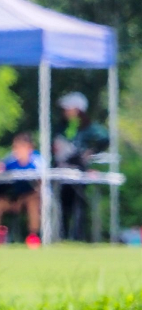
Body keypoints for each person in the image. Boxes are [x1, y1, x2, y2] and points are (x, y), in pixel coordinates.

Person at [53, 92, 108, 240]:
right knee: (64, 202)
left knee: (78, 202)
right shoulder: (62, 127)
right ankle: (62, 235)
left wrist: (90, 151)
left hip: (80, 169)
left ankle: (78, 235)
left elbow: (104, 138)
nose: (65, 112)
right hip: (63, 168)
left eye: (68, 109)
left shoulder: (89, 128)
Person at [0, 132, 43, 247]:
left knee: (33, 201)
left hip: (30, 197)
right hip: (13, 198)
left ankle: (33, 236)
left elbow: (41, 183)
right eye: (15, 147)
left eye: (21, 147)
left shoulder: (37, 162)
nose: (17, 150)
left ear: (29, 148)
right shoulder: (10, 161)